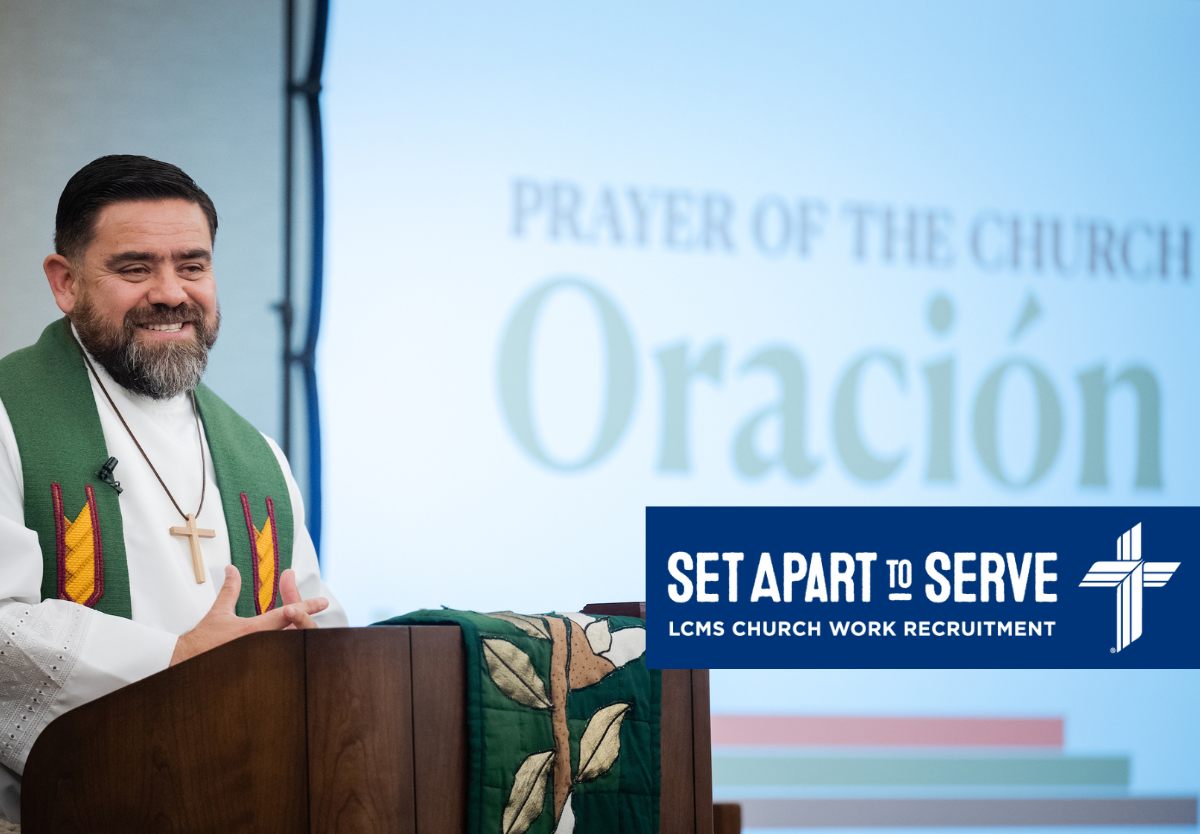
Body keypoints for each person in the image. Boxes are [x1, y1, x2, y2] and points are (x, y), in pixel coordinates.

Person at [0, 155, 347, 823]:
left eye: (192, 265)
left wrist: (307, 653)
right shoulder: (11, 416)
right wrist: (175, 659)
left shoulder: (258, 459)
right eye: (135, 268)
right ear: (64, 282)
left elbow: (318, 619)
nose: (170, 292)